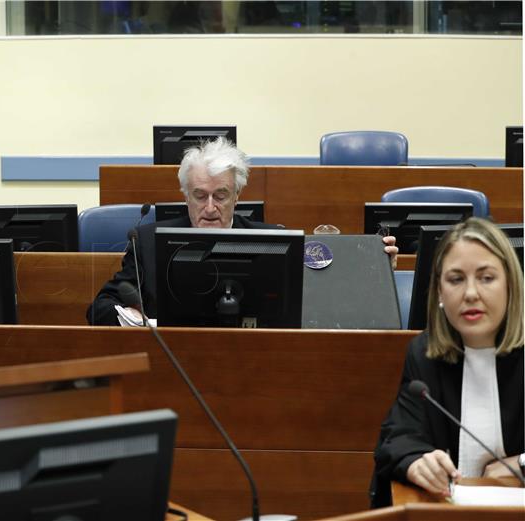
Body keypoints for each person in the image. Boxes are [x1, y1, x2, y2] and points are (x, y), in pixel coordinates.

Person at [87, 137, 399, 325]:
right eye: (200, 196)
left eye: (220, 196)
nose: (210, 207)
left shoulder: (273, 240)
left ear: (237, 196)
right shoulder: (148, 243)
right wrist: (137, 320)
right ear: (185, 196)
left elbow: (321, 296)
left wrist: (374, 267)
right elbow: (99, 308)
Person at [372, 217, 523, 506]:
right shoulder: (425, 352)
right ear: (440, 292)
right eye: (455, 279)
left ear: (511, 285)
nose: (470, 293)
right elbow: (397, 438)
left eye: (487, 278)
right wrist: (417, 461)